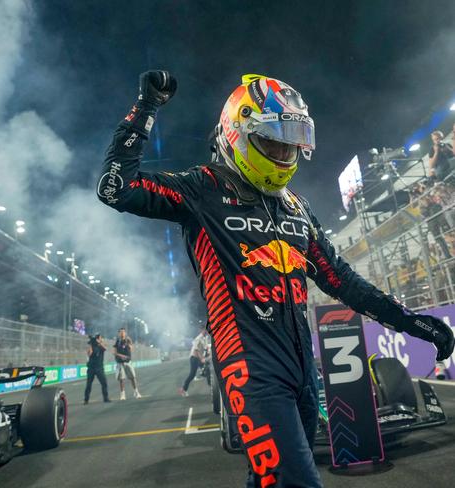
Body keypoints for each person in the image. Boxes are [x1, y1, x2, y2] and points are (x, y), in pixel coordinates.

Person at [98, 71, 454, 487]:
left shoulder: (297, 208)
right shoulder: (203, 188)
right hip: (251, 368)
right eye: (273, 140)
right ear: (237, 133)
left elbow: (343, 281)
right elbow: (115, 189)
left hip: (303, 372)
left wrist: (411, 321)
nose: (284, 152)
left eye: (291, 142)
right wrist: (146, 109)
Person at [179, 326, 209, 397]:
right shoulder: (198, 338)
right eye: (205, 330)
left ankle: (212, 387)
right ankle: (183, 389)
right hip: (194, 358)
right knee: (192, 374)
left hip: (199, 358)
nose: (207, 331)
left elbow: (205, 349)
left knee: (207, 370)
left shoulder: (205, 338)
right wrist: (202, 359)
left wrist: (206, 355)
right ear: (201, 330)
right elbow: (196, 350)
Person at [113, 328, 141, 399]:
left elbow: (131, 349)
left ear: (125, 333)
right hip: (120, 362)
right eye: (120, 332)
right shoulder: (117, 341)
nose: (122, 333)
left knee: (132, 377)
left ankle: (136, 392)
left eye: (123, 332)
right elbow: (114, 352)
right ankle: (122, 394)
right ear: (119, 333)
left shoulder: (128, 340)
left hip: (128, 362)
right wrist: (122, 356)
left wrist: (128, 343)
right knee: (121, 379)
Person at [84, 334, 110, 404]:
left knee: (104, 383)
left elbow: (105, 349)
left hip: (99, 367)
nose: (101, 339)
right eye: (100, 338)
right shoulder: (91, 345)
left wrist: (99, 343)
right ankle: (86, 400)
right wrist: (91, 344)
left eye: (100, 338)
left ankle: (106, 398)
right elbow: (89, 353)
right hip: (91, 368)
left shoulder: (101, 346)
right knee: (88, 384)